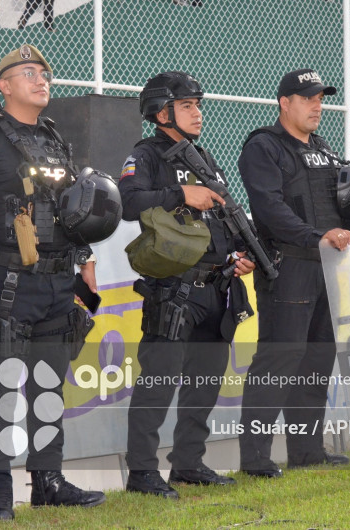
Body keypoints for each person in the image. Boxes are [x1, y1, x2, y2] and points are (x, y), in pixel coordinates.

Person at [0, 44, 107, 521]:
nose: (41, 81)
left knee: (49, 386)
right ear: (4, 85)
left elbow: (71, 209)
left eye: (45, 74)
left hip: (59, 283)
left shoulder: (54, 137)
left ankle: (48, 482)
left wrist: (84, 259)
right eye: (29, 73)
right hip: (7, 282)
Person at [236, 68, 350, 478]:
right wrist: (316, 236)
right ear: (284, 103)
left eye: (320, 98)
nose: (317, 106)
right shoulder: (263, 147)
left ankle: (306, 452)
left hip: (328, 266)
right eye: (308, 98)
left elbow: (339, 207)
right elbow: (269, 209)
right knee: (278, 360)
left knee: (317, 359)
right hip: (288, 265)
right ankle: (255, 459)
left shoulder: (323, 149)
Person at [119, 71, 255, 499]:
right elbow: (127, 202)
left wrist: (241, 253)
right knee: (158, 382)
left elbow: (222, 216)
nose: (197, 113)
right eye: (187, 106)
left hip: (217, 286)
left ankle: (188, 463)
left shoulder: (204, 157)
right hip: (174, 289)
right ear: (162, 112)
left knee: (205, 382)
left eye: (198, 105)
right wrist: (181, 194)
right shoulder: (145, 154)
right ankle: (142, 473)